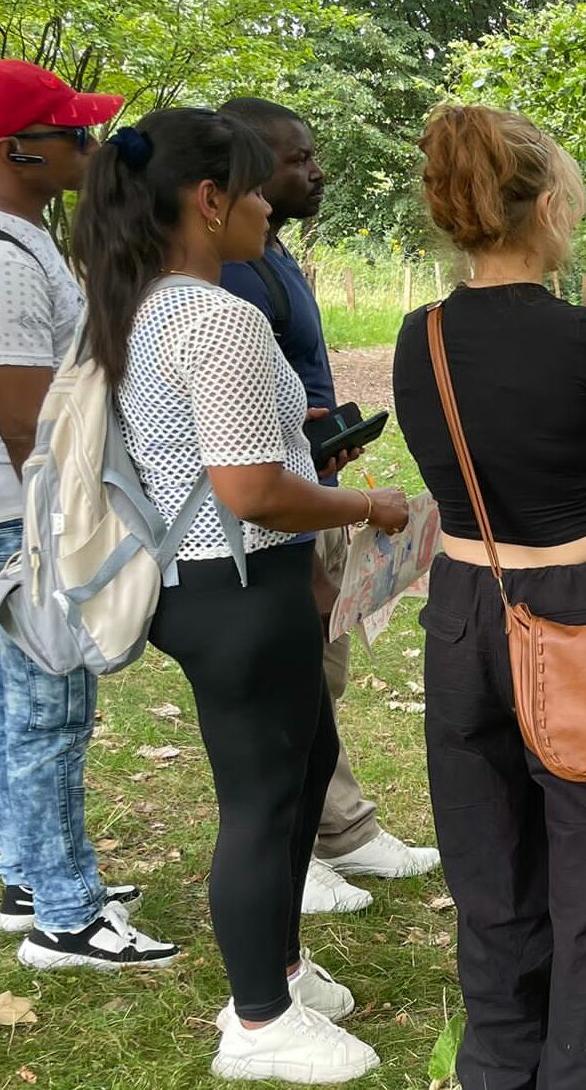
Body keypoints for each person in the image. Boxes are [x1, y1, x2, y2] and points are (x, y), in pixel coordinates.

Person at [75, 107, 409, 1082]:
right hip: (232, 582)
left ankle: (283, 969)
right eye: (257, 188)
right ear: (209, 200)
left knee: (298, 777)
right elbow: (250, 486)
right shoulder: (216, 317)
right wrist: (373, 504)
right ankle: (259, 1022)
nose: (270, 206)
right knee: (263, 802)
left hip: (233, 577)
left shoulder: (145, 305)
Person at [393, 104, 586, 1090]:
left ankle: (499, 1066)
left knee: (489, 872)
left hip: (464, 604)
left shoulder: (417, 338)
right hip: (579, 606)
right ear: (547, 205)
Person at [0, 59, 175, 968]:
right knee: (49, 712)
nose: (90, 148)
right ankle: (66, 916)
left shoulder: (9, 235)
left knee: (15, 705)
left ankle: (29, 873)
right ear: (13, 149)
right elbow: (34, 424)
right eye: (73, 134)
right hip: (23, 518)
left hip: (9, 513)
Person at [215, 96, 441, 916]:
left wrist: (320, 431)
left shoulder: (268, 251)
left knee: (322, 668)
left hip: (310, 484)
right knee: (288, 674)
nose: (315, 172)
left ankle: (337, 825)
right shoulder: (224, 275)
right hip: (271, 506)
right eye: (296, 159)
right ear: (240, 173)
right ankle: (289, 842)